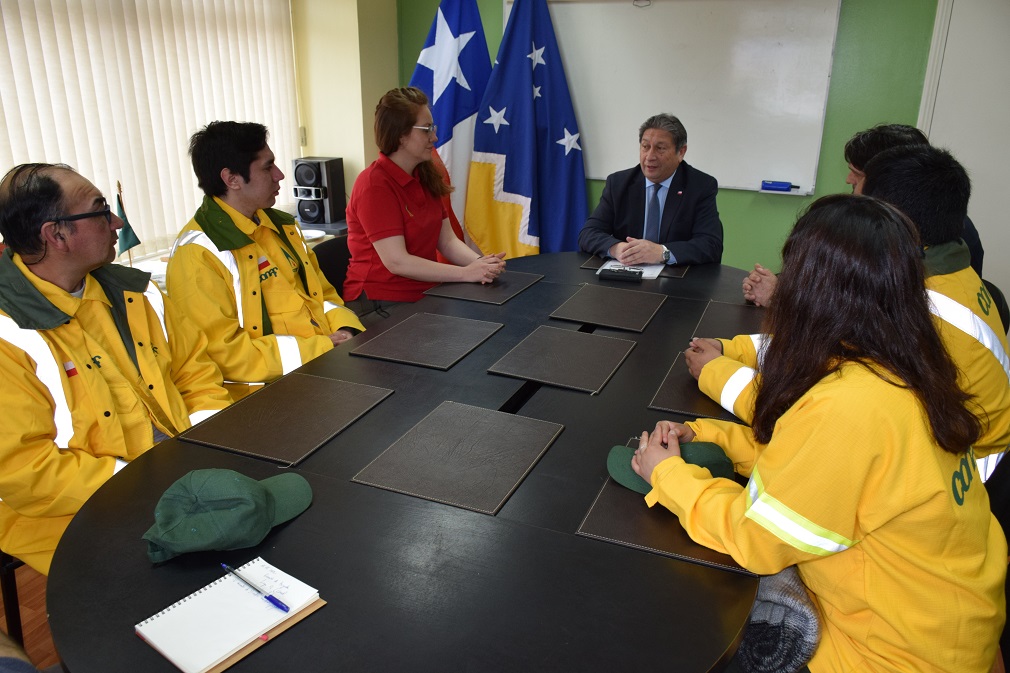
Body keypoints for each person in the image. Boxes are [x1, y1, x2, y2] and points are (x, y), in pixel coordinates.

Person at [635, 194, 1006, 673]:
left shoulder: (849, 404)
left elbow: (757, 540)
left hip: (892, 655)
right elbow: (814, 460)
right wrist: (709, 435)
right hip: (952, 622)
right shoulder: (906, 362)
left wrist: (669, 478)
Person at [695, 145, 1010, 478]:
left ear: (890, 222)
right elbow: (824, 348)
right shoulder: (948, 273)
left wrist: (717, 371)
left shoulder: (909, 309)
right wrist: (735, 349)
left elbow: (804, 413)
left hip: (945, 473)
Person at [0, 164, 231, 574]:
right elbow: (25, 471)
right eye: (101, 209)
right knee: (183, 583)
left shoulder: (135, 291)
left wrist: (204, 449)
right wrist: (144, 486)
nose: (118, 222)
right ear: (56, 235)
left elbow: (197, 374)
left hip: (173, 478)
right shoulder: (7, 334)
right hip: (71, 514)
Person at [167, 121, 364, 400]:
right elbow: (225, 354)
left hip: (324, 368)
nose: (280, 175)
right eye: (267, 167)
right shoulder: (199, 254)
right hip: (266, 396)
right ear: (231, 179)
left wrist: (344, 329)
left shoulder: (281, 227)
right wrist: (322, 348)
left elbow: (323, 296)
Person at [742, 123, 985, 305]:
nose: (850, 181)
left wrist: (781, 298)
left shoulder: (914, 253)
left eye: (857, 175)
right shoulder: (942, 231)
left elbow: (857, 319)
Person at [342, 87, 505, 313]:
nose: (434, 137)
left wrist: (480, 264)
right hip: (378, 300)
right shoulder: (373, 184)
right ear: (400, 135)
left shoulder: (426, 173)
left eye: (433, 128)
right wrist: (466, 273)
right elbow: (397, 262)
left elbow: (447, 241)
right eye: (426, 129)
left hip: (422, 294)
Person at [578, 113, 723, 266]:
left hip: (677, 282)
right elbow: (588, 233)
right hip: (626, 277)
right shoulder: (619, 183)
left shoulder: (700, 186)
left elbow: (710, 244)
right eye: (645, 147)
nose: (649, 156)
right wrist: (617, 248)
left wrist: (662, 252)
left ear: (681, 152)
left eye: (660, 148)